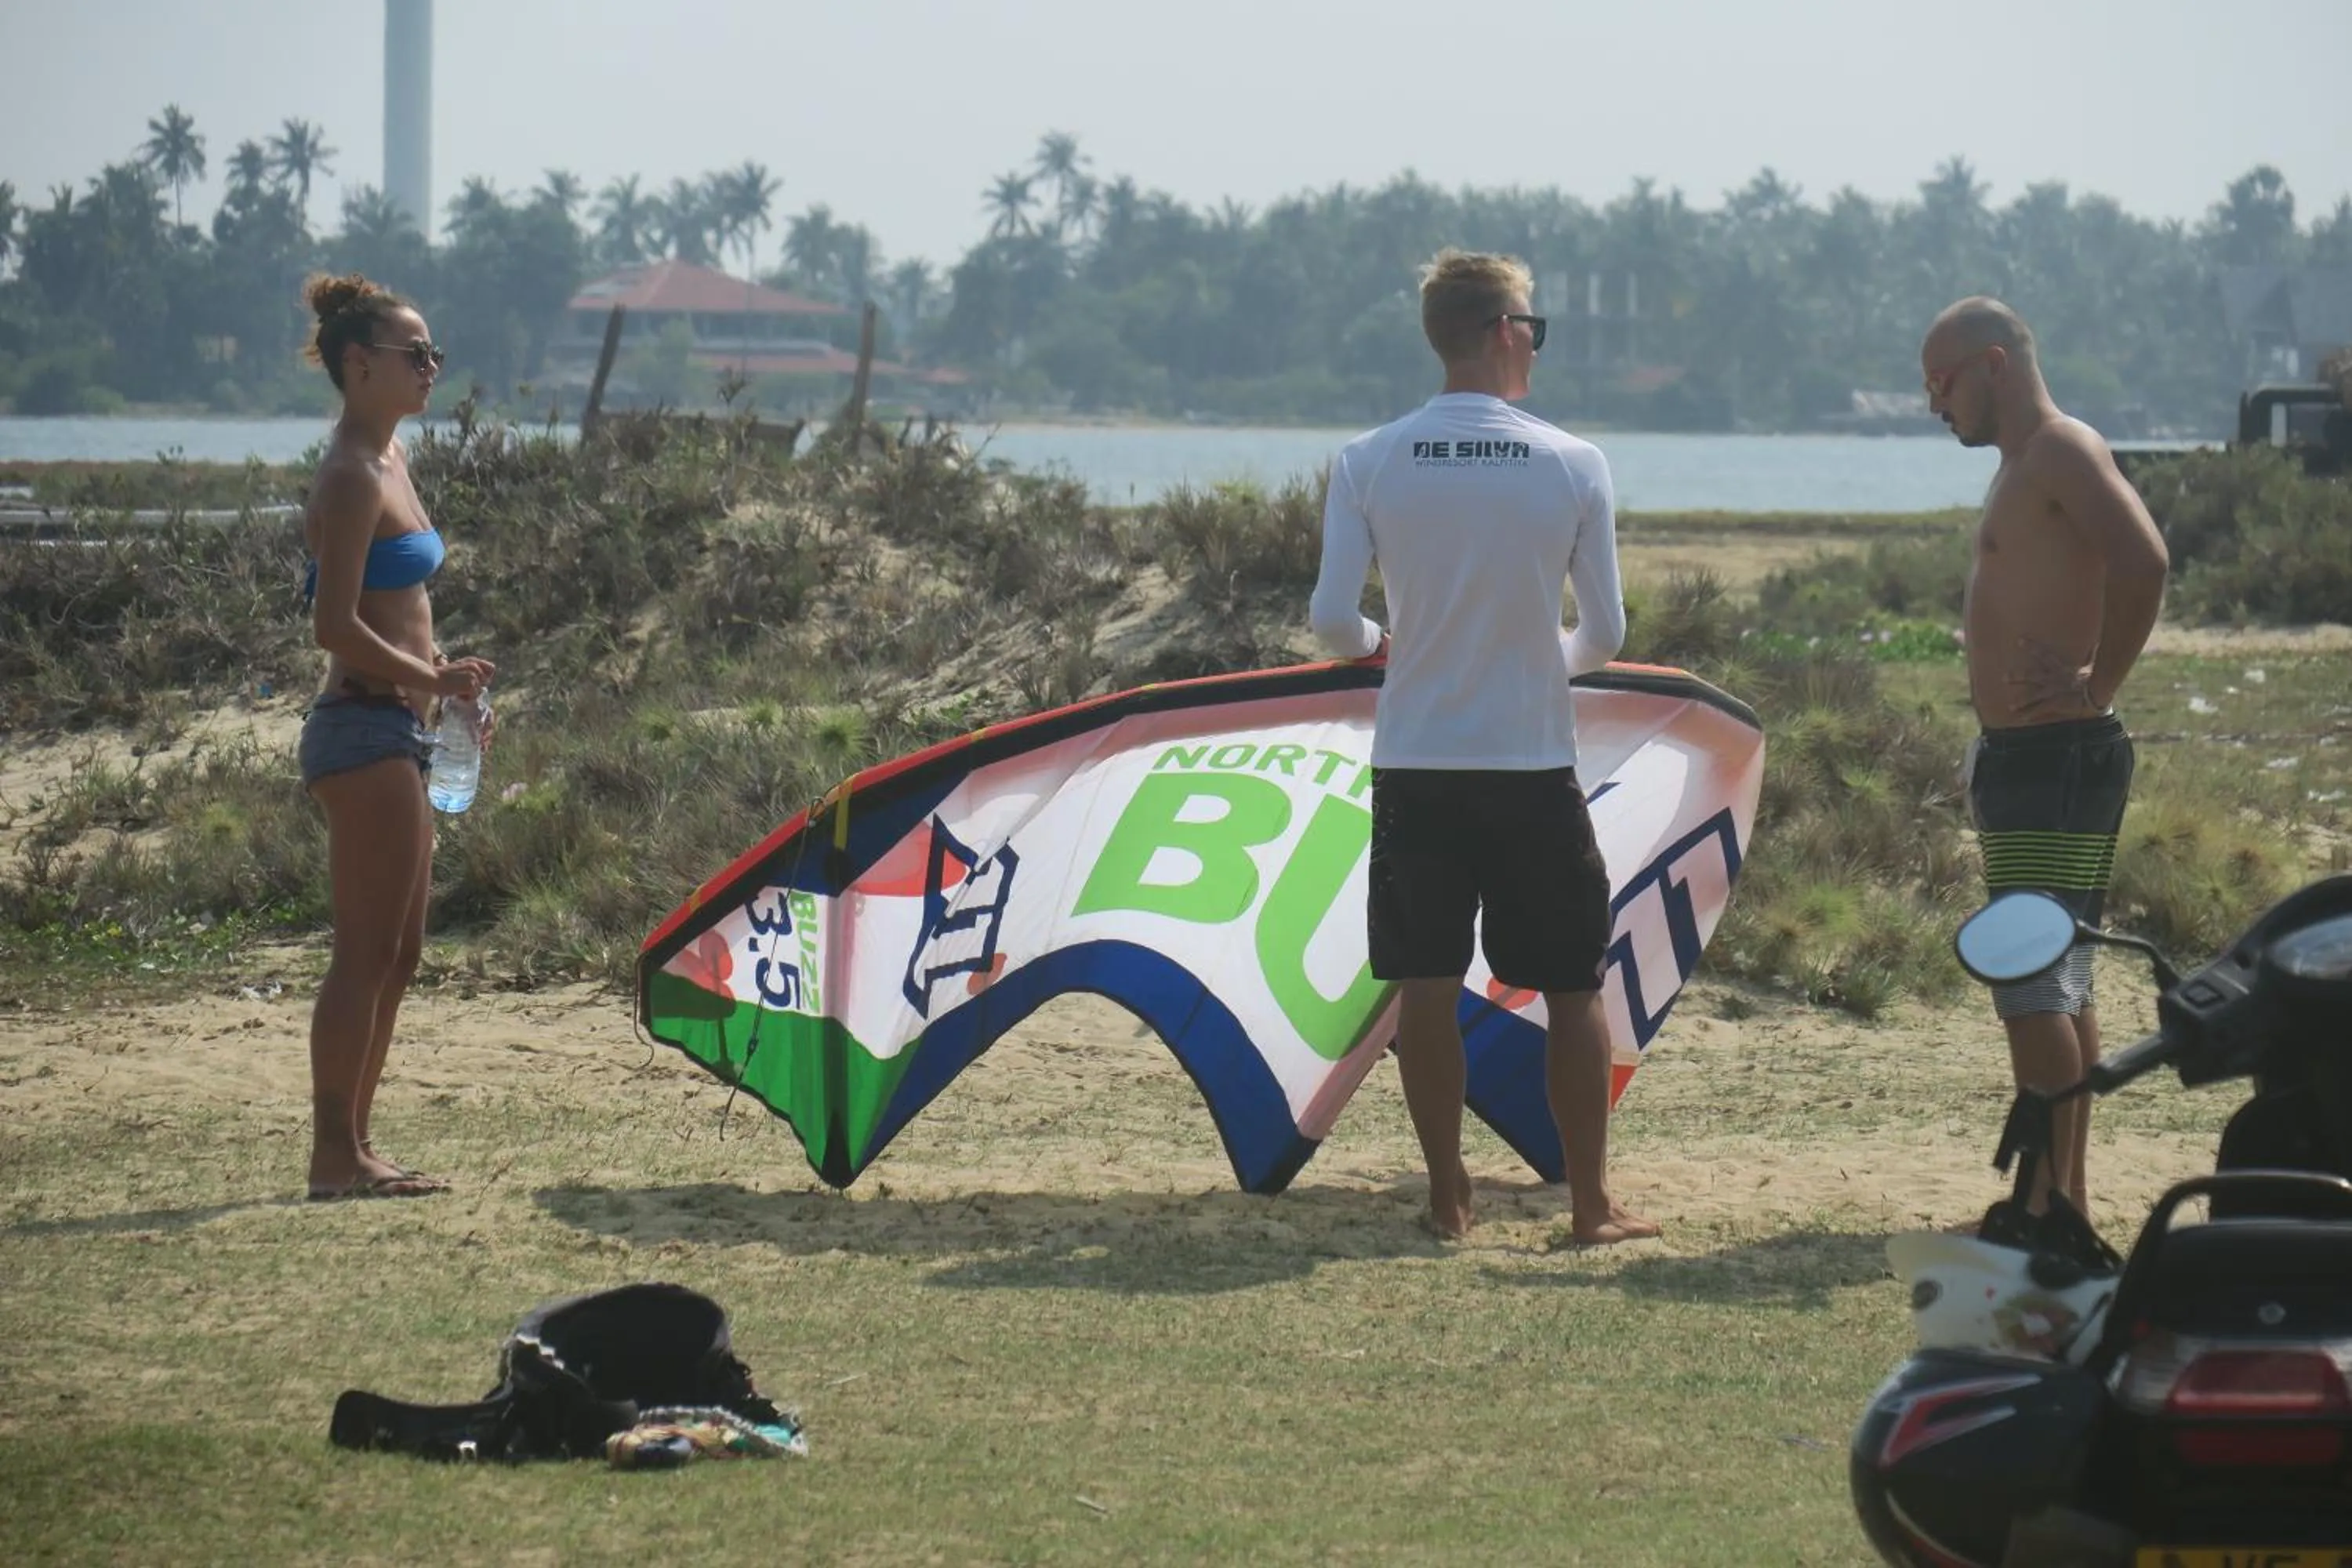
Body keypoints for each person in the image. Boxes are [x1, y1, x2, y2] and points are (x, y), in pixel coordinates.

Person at [1308, 248, 1653, 1244]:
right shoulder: (1574, 462)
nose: (1536, 347)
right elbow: (1609, 636)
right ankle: (1590, 1205)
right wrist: (1546, 656)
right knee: (1571, 983)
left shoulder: (1368, 458)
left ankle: (1447, 1194)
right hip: (1532, 763)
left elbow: (1334, 620)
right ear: (1505, 331)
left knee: (1425, 981)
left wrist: (1388, 645)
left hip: (1418, 763)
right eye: (1534, 329)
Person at [1922, 296, 2169, 1218]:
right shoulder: (2026, 461)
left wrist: (2098, 681)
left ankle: (2042, 1206)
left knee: (2030, 980)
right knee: (2061, 974)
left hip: (2058, 757)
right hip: (2034, 757)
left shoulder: (2062, 448)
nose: (1932, 402)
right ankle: (2062, 1191)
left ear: (1993, 364)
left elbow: (2144, 558)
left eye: (1940, 382)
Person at [295, 272, 495, 1202]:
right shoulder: (345, 473)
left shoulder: (394, 458)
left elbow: (399, 606)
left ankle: (360, 1145)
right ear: (359, 364)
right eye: (415, 355)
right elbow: (334, 625)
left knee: (402, 951)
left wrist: (449, 689)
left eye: (435, 354)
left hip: (405, 730)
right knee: (363, 950)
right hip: (362, 729)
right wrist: (428, 680)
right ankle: (333, 1152)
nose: (431, 368)